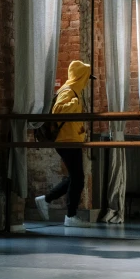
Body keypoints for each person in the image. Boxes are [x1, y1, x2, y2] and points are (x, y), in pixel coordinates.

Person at [35, 60, 94, 228]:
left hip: (73, 140)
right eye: (86, 77)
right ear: (80, 77)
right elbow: (58, 111)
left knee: (75, 177)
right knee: (78, 178)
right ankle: (70, 215)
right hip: (66, 141)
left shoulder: (75, 91)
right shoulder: (68, 91)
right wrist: (75, 104)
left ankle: (46, 200)